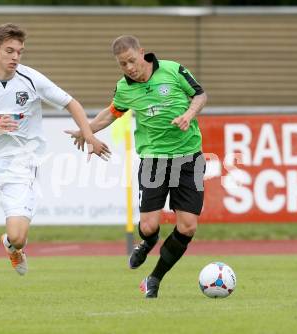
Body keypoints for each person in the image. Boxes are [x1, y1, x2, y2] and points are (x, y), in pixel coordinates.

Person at [0, 23, 110, 302]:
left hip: (21, 165)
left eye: (19, 51)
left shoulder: (31, 80)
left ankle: (11, 246)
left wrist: (89, 135)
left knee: (18, 237)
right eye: (9, 51)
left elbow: (72, 103)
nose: (15, 57)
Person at [66, 35, 207, 298]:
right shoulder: (124, 88)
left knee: (188, 227)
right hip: (154, 159)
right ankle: (148, 242)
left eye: (131, 60)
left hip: (189, 158)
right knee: (149, 226)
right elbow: (111, 113)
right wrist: (85, 131)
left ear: (142, 53)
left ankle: (154, 279)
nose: (129, 67)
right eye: (123, 64)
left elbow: (200, 95)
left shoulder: (173, 70)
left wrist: (189, 114)